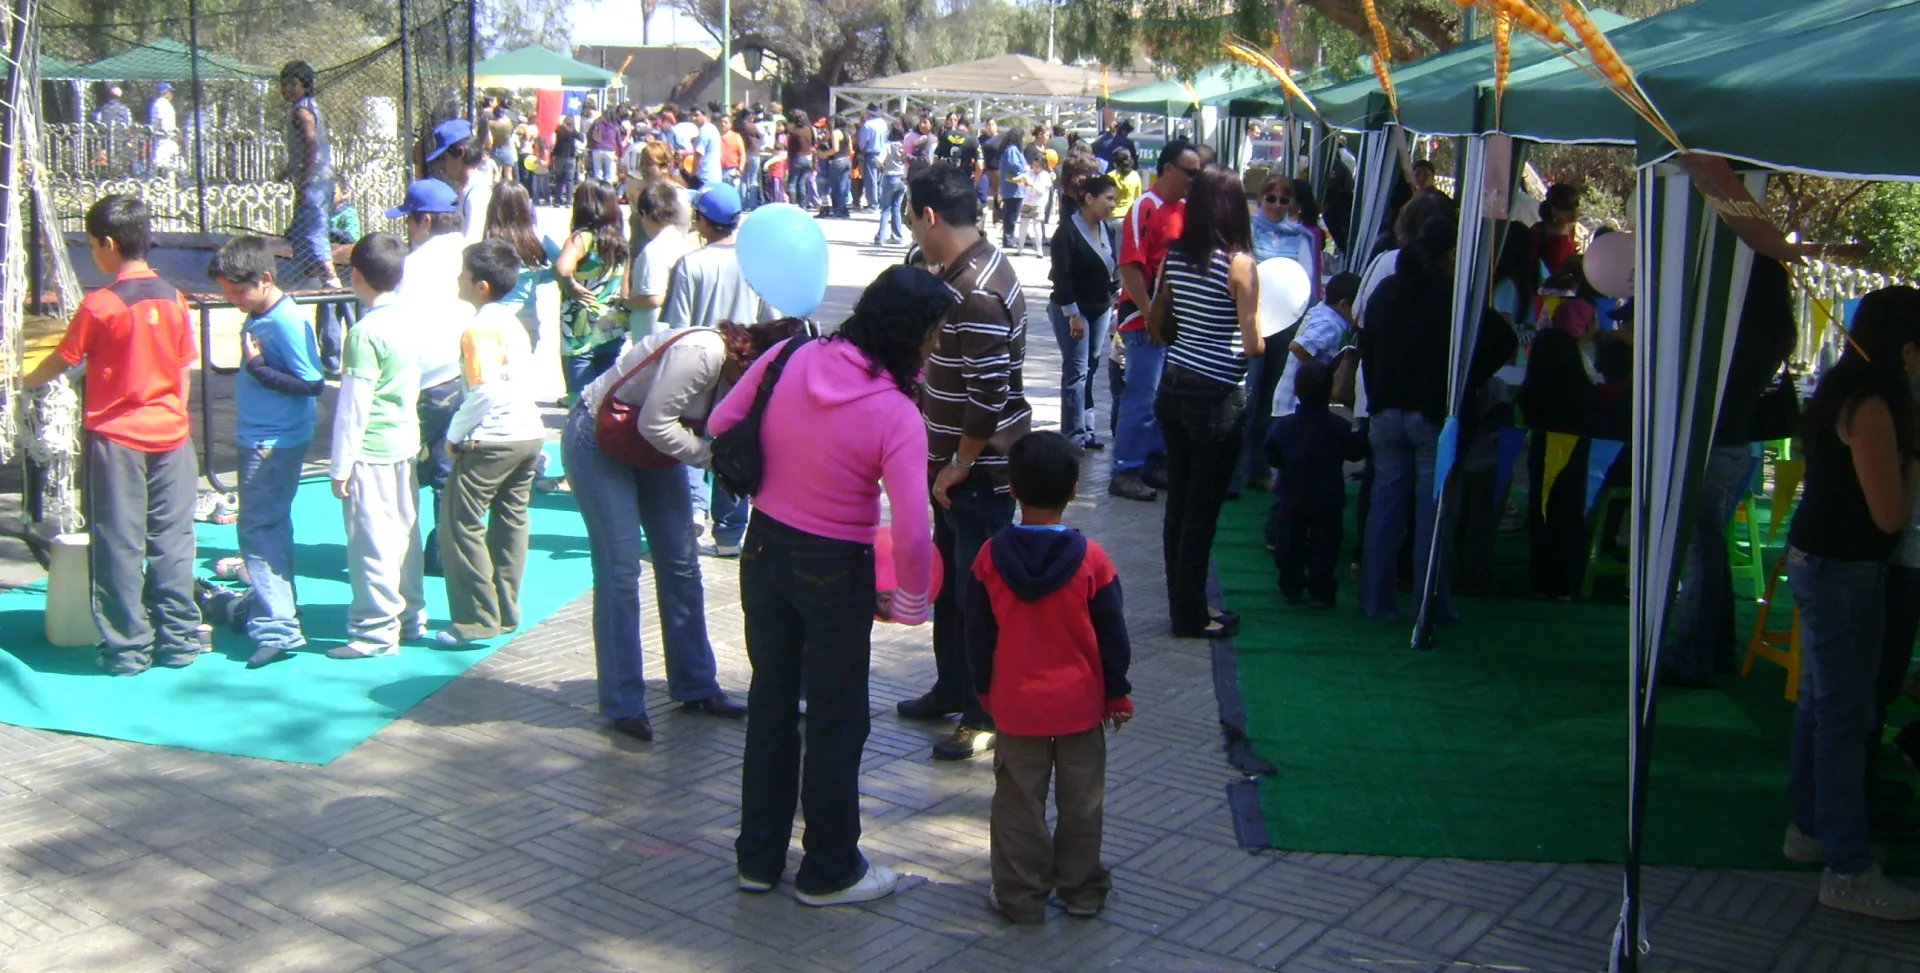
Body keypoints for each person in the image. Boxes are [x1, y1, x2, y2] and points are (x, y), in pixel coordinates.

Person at [717, 266, 953, 908]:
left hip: (763, 549)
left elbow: (719, 422)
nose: (937, 346)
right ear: (910, 334)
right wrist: (910, 600)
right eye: (933, 333)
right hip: (833, 569)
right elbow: (911, 527)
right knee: (835, 719)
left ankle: (757, 860)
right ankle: (829, 868)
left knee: (771, 703)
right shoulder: (896, 413)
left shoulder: (790, 353)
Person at [566, 320, 794, 741]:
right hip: (599, 437)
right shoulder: (704, 352)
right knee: (620, 573)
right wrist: (714, 460)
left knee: (682, 565)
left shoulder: (748, 378)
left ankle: (696, 685)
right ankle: (623, 703)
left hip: (651, 445)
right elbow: (656, 423)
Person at [1782, 286, 1920, 922]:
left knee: (1821, 707)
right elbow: (1889, 515)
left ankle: (1812, 830)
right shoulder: (1872, 409)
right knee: (1845, 717)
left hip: (1820, 560)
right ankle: (1847, 866)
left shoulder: (1844, 392)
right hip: (1844, 569)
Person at [20, 196, 198, 675]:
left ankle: (127, 648)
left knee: (118, 541)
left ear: (109, 244)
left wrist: (19, 379)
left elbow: (62, 359)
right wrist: (173, 415)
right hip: (172, 436)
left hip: (117, 438)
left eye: (92, 243)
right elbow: (184, 367)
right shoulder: (174, 297)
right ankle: (179, 639)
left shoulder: (99, 305)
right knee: (173, 539)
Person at [963, 430, 1132, 924]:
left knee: (1018, 804)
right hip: (1080, 704)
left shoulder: (989, 558)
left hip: (1015, 704)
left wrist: (984, 692)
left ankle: (1020, 895)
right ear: (1074, 490)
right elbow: (1113, 635)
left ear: (1011, 490)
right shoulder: (1093, 560)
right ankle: (1081, 891)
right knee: (1082, 802)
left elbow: (976, 634)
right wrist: (1116, 693)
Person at [899, 163, 1032, 762]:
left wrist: (957, 464)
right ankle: (952, 687)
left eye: (911, 217)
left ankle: (984, 714)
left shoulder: (977, 287)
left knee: (977, 597)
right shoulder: (962, 269)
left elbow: (989, 395)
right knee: (950, 589)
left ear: (930, 216)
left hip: (975, 474)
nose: (912, 230)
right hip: (952, 467)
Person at [1666, 258, 1796, 687]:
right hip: (1735, 446)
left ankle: (1694, 656)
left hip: (1712, 444)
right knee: (1710, 553)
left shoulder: (1731, 334)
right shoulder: (1774, 335)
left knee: (1702, 557)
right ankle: (1712, 648)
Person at [1150, 166, 1263, 639]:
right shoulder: (1240, 265)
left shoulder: (1174, 256)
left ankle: (1183, 605)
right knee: (1202, 510)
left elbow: (1158, 322)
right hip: (1217, 393)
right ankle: (1193, 614)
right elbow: (1253, 343)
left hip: (1174, 384)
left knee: (1178, 504)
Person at [205, 237, 325, 668]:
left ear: (266, 279)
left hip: (271, 441)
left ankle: (278, 628)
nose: (232, 300)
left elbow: (311, 381)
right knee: (269, 527)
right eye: (227, 292)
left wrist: (258, 368)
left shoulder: (284, 322)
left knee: (257, 532)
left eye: (239, 291)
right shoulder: (263, 314)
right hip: (265, 435)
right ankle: (276, 608)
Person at [432, 240, 547, 647]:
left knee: (459, 524)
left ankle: (476, 619)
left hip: (493, 438)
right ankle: (505, 609)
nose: (458, 279)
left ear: (480, 285)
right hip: (528, 433)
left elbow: (482, 391)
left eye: (463, 273)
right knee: (511, 520)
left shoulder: (479, 326)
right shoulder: (512, 320)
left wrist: (454, 434)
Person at [328, 233, 429, 657]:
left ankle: (374, 631)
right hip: (405, 442)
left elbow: (353, 406)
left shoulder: (365, 333)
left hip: (370, 451)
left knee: (371, 541)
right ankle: (411, 616)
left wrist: (340, 465)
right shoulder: (411, 321)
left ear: (356, 275)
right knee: (405, 534)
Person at [661, 184, 770, 559]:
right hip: (743, 373)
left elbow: (676, 326)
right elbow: (770, 321)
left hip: (696, 367)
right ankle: (729, 533)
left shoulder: (690, 264)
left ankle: (692, 509)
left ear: (703, 221)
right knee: (733, 444)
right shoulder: (756, 263)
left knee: (691, 436)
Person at [389, 177, 474, 578]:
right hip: (466, 374)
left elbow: (399, 325)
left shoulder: (413, 265)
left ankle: (402, 550)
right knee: (448, 468)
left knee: (402, 467)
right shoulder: (470, 253)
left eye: (409, 220)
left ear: (424, 221)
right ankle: (446, 551)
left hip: (425, 381)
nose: (407, 228)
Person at [1111, 139, 1201, 502]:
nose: (1194, 180)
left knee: (1163, 398)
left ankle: (1151, 461)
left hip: (1170, 321)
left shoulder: (1183, 207)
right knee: (1142, 396)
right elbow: (1130, 266)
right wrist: (1150, 314)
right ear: (1167, 170)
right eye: (1189, 173)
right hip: (1143, 318)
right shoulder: (1144, 207)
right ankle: (1126, 469)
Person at [1266, 363, 1368, 608]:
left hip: (1292, 494)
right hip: (1327, 496)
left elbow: (1272, 454)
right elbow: (1354, 452)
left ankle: (1290, 586)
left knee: (1289, 545)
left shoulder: (1284, 426)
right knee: (1326, 547)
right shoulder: (1337, 427)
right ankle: (1321, 591)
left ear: (1296, 391)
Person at [1518, 326, 1597, 601]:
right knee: (1571, 515)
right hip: (1576, 453)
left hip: (1544, 451)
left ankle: (1543, 580)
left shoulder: (1534, 389)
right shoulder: (1584, 389)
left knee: (1542, 513)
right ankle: (1568, 581)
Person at [1049, 173, 1120, 452]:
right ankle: (1073, 433)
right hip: (1072, 308)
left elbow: (1114, 270)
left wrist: (1116, 303)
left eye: (1115, 199)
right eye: (1108, 198)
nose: (1112, 205)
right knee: (1076, 370)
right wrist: (1072, 314)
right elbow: (1062, 277)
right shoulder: (1066, 232)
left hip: (1099, 307)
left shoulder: (1109, 229)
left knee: (1091, 366)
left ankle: (1087, 428)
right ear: (1089, 198)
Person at [555, 180, 629, 403]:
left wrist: (572, 286)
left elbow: (562, 267)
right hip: (612, 325)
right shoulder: (620, 241)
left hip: (580, 329)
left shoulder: (582, 238)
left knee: (580, 401)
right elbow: (625, 288)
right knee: (604, 399)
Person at [278, 62, 340, 292]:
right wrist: (289, 170)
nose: (287, 89)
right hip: (320, 179)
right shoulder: (307, 106)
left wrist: (304, 178)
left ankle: (330, 277)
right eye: (284, 84)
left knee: (314, 229)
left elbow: (311, 144)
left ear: (305, 85)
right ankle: (313, 274)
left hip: (314, 181)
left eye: (293, 84)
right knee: (300, 229)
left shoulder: (302, 111)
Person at [483, 182, 560, 346]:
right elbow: (563, 266)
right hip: (526, 321)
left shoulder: (489, 239)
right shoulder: (537, 238)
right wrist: (537, 276)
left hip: (494, 319)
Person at [620, 180, 695, 340]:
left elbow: (654, 298)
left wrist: (626, 302)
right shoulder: (682, 243)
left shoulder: (653, 251)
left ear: (645, 214)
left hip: (653, 337)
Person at [425, 119, 492, 245]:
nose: (439, 166)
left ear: (460, 152)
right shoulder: (462, 188)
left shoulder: (477, 193)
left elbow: (472, 243)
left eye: (443, 158)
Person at [1531, 183, 1583, 278]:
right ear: (1554, 209)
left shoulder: (1571, 229)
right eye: (1568, 207)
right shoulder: (1539, 232)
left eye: (1577, 204)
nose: (1575, 211)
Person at [873, 123, 908, 247]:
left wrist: (882, 168)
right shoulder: (904, 147)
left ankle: (881, 236)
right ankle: (897, 236)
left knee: (885, 209)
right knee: (897, 208)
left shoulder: (888, 146)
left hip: (890, 177)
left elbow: (878, 160)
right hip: (902, 179)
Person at [1015, 147, 1054, 257]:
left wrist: (1032, 185)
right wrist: (1020, 182)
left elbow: (1042, 191)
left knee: (1037, 227)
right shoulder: (1029, 173)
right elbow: (1022, 187)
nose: (1035, 168)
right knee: (1023, 226)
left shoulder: (1045, 176)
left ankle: (1039, 249)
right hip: (1027, 202)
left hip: (1038, 204)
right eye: (1034, 165)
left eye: (1037, 166)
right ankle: (1020, 249)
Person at [858, 105, 890, 211]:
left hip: (871, 153)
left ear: (869, 113)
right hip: (883, 154)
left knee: (871, 180)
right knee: (880, 180)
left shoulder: (867, 125)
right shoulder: (884, 124)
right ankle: (880, 202)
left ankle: (873, 204)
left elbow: (862, 143)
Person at [786, 110, 817, 210]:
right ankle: (803, 205)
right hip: (808, 158)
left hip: (797, 158)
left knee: (792, 182)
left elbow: (790, 148)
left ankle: (793, 204)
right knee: (802, 182)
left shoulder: (794, 133)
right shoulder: (809, 130)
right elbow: (813, 143)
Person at [146, 82, 178, 179]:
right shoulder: (162, 104)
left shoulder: (161, 103)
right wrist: (169, 132)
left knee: (168, 163)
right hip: (164, 137)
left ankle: (167, 185)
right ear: (165, 92)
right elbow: (164, 121)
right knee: (161, 163)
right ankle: (154, 183)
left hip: (165, 137)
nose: (172, 94)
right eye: (170, 92)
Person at [688, 105, 724, 190]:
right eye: (692, 116)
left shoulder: (704, 130)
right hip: (715, 175)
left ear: (705, 116)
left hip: (704, 177)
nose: (694, 118)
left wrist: (692, 174)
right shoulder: (713, 129)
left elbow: (698, 155)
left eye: (697, 115)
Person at [1108, 148, 1141, 234]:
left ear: (1115, 164)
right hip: (1127, 217)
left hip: (1110, 216)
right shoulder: (1135, 176)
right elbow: (1137, 199)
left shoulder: (1110, 177)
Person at [549, 115, 580, 206]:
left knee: (558, 179)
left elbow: (555, 137)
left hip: (559, 156)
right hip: (570, 156)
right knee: (569, 180)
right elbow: (581, 138)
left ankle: (557, 201)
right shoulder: (573, 131)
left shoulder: (559, 129)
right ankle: (568, 201)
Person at [588, 109, 622, 184]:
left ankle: (597, 190)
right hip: (609, 150)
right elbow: (619, 142)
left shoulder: (597, 123)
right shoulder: (615, 126)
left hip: (597, 149)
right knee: (609, 174)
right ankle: (607, 191)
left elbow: (590, 134)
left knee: (597, 173)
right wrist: (621, 155)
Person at [719, 113, 747, 192]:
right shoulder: (717, 137)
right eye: (721, 122)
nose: (723, 124)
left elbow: (742, 154)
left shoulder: (736, 136)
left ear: (730, 124)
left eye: (725, 122)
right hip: (719, 170)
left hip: (732, 170)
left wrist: (740, 169)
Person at [487, 104, 515, 183]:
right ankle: (509, 193)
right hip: (507, 148)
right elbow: (511, 132)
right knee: (508, 174)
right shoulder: (508, 123)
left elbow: (488, 138)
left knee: (496, 174)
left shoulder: (490, 124)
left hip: (495, 148)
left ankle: (496, 192)